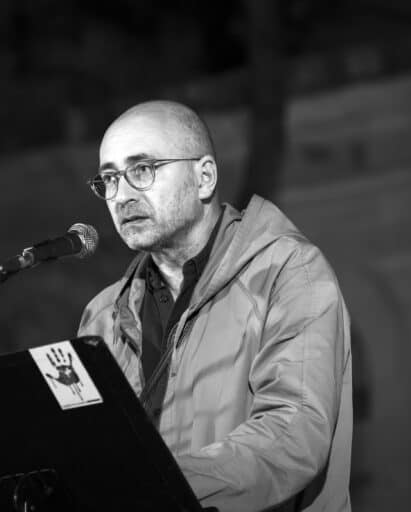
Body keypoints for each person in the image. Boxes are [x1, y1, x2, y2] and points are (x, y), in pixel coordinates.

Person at [77, 100, 352, 512]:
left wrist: (157, 487)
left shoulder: (288, 270)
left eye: (142, 169)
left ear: (204, 177)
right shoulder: (102, 317)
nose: (122, 195)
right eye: (110, 179)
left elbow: (293, 436)